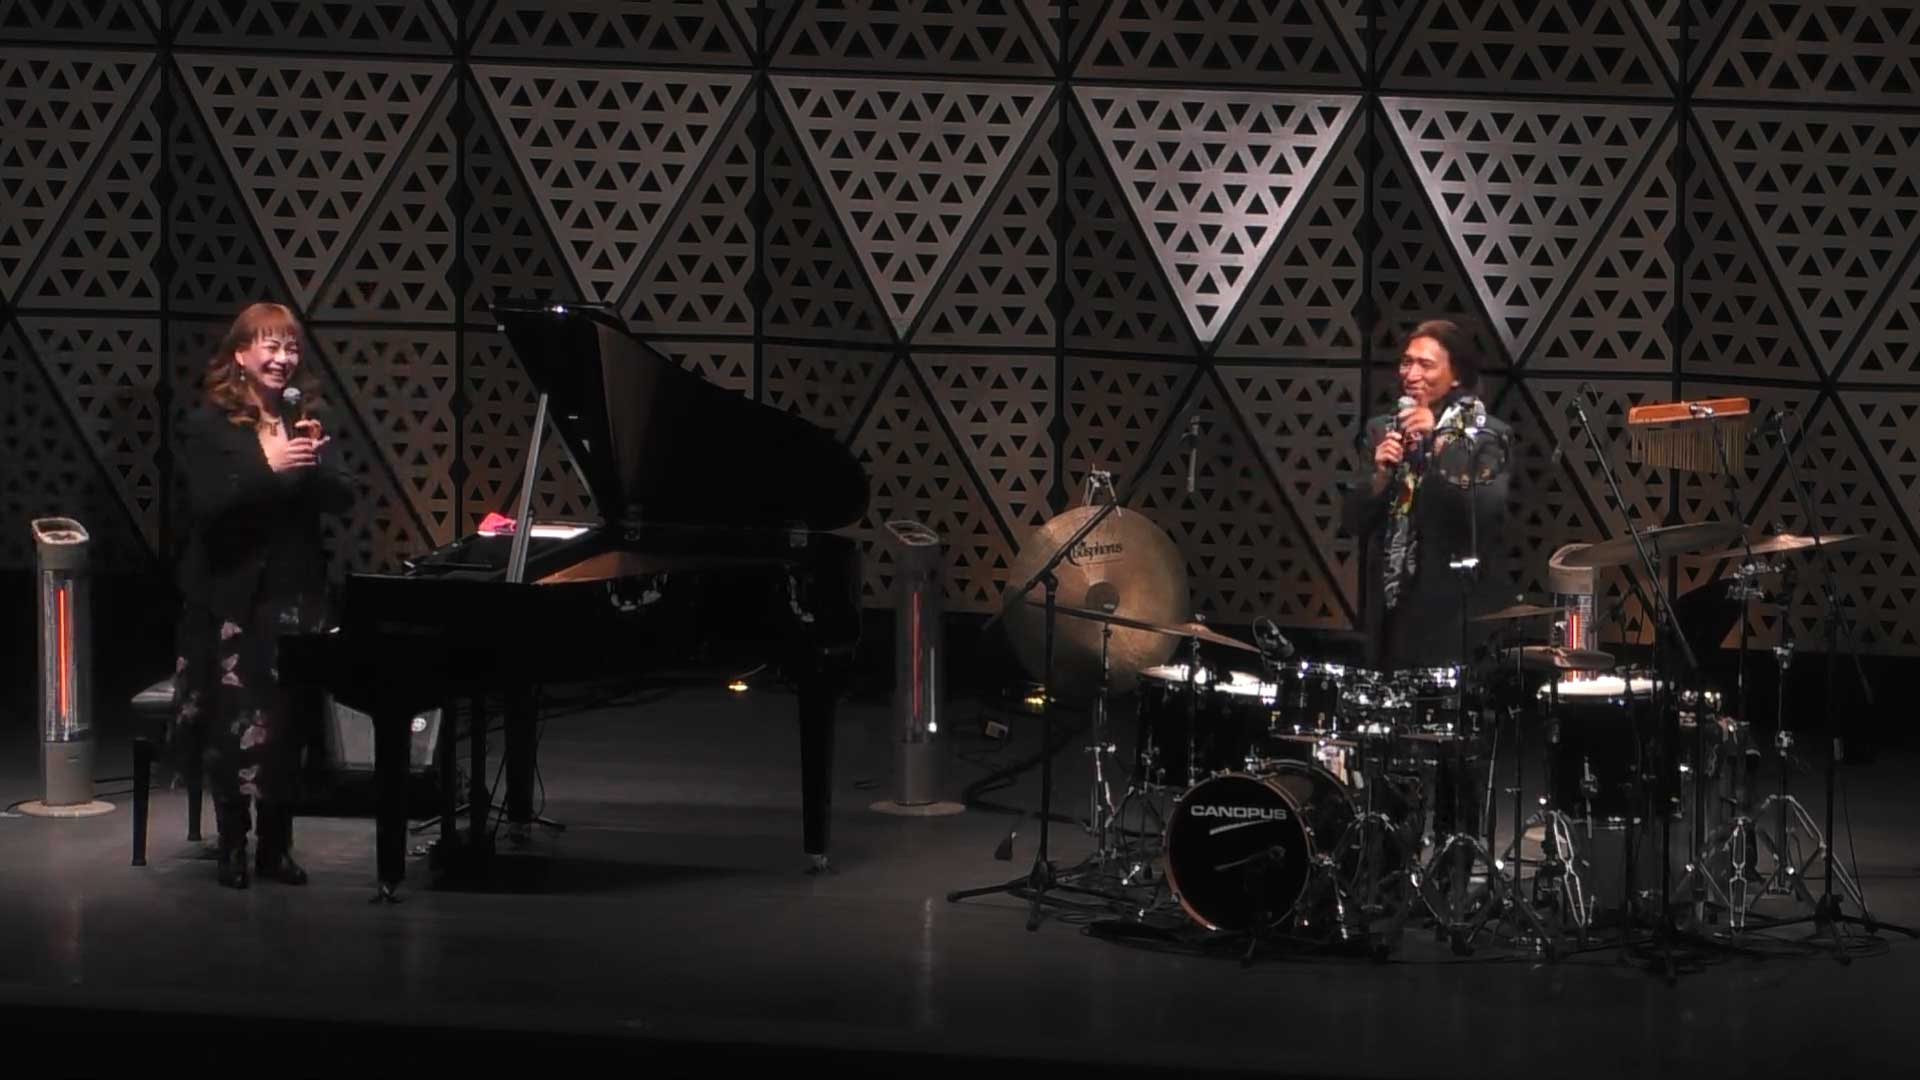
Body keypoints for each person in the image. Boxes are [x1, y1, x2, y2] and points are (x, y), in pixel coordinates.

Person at [169, 302, 353, 888]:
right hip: (231, 596)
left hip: (296, 594)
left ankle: (276, 846)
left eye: (290, 347)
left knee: (289, 726)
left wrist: (315, 465)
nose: (282, 358)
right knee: (234, 725)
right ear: (242, 355)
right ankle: (232, 844)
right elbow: (206, 508)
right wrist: (267, 468)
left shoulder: (307, 418)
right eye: (270, 346)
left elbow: (343, 498)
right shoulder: (209, 424)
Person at [1341, 318, 1512, 673]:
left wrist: (1438, 443)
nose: (1412, 374)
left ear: (1456, 376)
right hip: (1390, 612)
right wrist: (1381, 475)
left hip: (1455, 612)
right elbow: (1352, 521)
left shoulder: (1488, 437)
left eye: (1426, 365)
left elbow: (1483, 512)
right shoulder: (1380, 430)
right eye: (1407, 362)